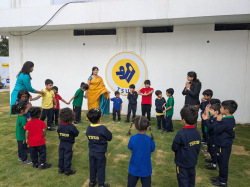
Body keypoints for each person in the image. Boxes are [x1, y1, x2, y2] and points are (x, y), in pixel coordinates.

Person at [172, 105, 201, 187]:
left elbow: (174, 147)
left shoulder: (181, 133)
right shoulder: (197, 132)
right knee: (191, 180)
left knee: (183, 181)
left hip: (182, 164)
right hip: (192, 162)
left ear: (183, 120)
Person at [210, 100, 238, 187]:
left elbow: (216, 129)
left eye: (221, 108)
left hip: (224, 145)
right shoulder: (230, 119)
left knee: (223, 163)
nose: (220, 109)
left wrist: (217, 121)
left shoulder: (225, 121)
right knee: (221, 162)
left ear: (227, 111)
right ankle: (220, 177)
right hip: (223, 144)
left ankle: (223, 182)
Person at [86, 108, 112, 187]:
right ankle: (101, 184)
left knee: (92, 166)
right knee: (100, 167)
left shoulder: (89, 127)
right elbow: (109, 137)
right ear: (100, 118)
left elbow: (88, 135)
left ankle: (92, 182)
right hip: (100, 152)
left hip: (92, 151)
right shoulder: (102, 128)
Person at [126, 116, 155, 187]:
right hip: (146, 169)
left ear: (135, 127)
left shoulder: (132, 138)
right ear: (148, 127)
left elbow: (130, 150)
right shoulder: (150, 140)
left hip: (134, 168)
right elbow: (152, 151)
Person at [57, 108, 79, 176]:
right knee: (67, 156)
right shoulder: (71, 126)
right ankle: (67, 170)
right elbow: (76, 133)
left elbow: (58, 132)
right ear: (71, 116)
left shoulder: (60, 125)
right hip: (69, 144)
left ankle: (61, 169)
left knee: (61, 155)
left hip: (62, 143)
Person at [202, 103, 221, 170]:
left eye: (211, 110)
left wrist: (206, 120)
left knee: (213, 150)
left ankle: (213, 165)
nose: (210, 111)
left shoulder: (217, 120)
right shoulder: (212, 118)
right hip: (210, 136)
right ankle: (212, 160)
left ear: (216, 112)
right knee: (209, 149)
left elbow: (210, 127)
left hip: (214, 138)